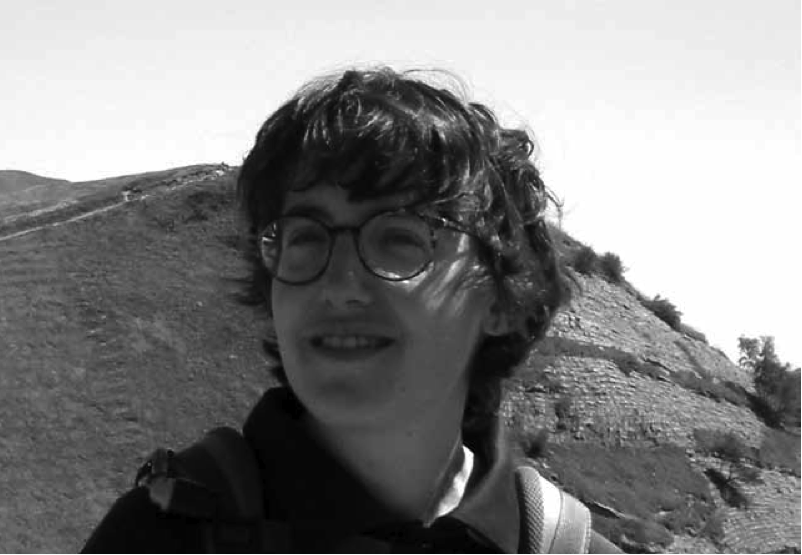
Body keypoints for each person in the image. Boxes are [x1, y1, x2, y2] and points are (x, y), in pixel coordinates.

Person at [80, 66, 622, 554]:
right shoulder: (159, 537)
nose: (339, 286)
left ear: (501, 297)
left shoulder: (563, 547)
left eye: (399, 238)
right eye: (305, 236)